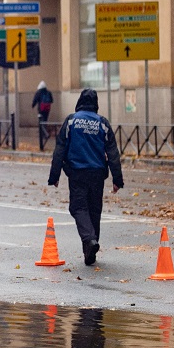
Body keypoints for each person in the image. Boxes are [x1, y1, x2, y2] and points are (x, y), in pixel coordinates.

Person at [48, 88, 123, 266]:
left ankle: (90, 240)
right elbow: (113, 153)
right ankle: (90, 251)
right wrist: (117, 179)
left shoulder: (71, 121)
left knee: (78, 208)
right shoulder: (103, 123)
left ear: (80, 101)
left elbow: (60, 149)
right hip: (97, 174)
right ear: (96, 103)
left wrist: (55, 175)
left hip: (77, 172)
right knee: (94, 210)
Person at [32, 81, 54, 151]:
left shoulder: (38, 92)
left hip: (41, 109)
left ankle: (44, 134)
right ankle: (44, 133)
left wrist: (33, 105)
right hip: (47, 109)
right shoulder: (48, 92)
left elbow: (35, 100)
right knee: (45, 120)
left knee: (41, 121)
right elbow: (52, 100)